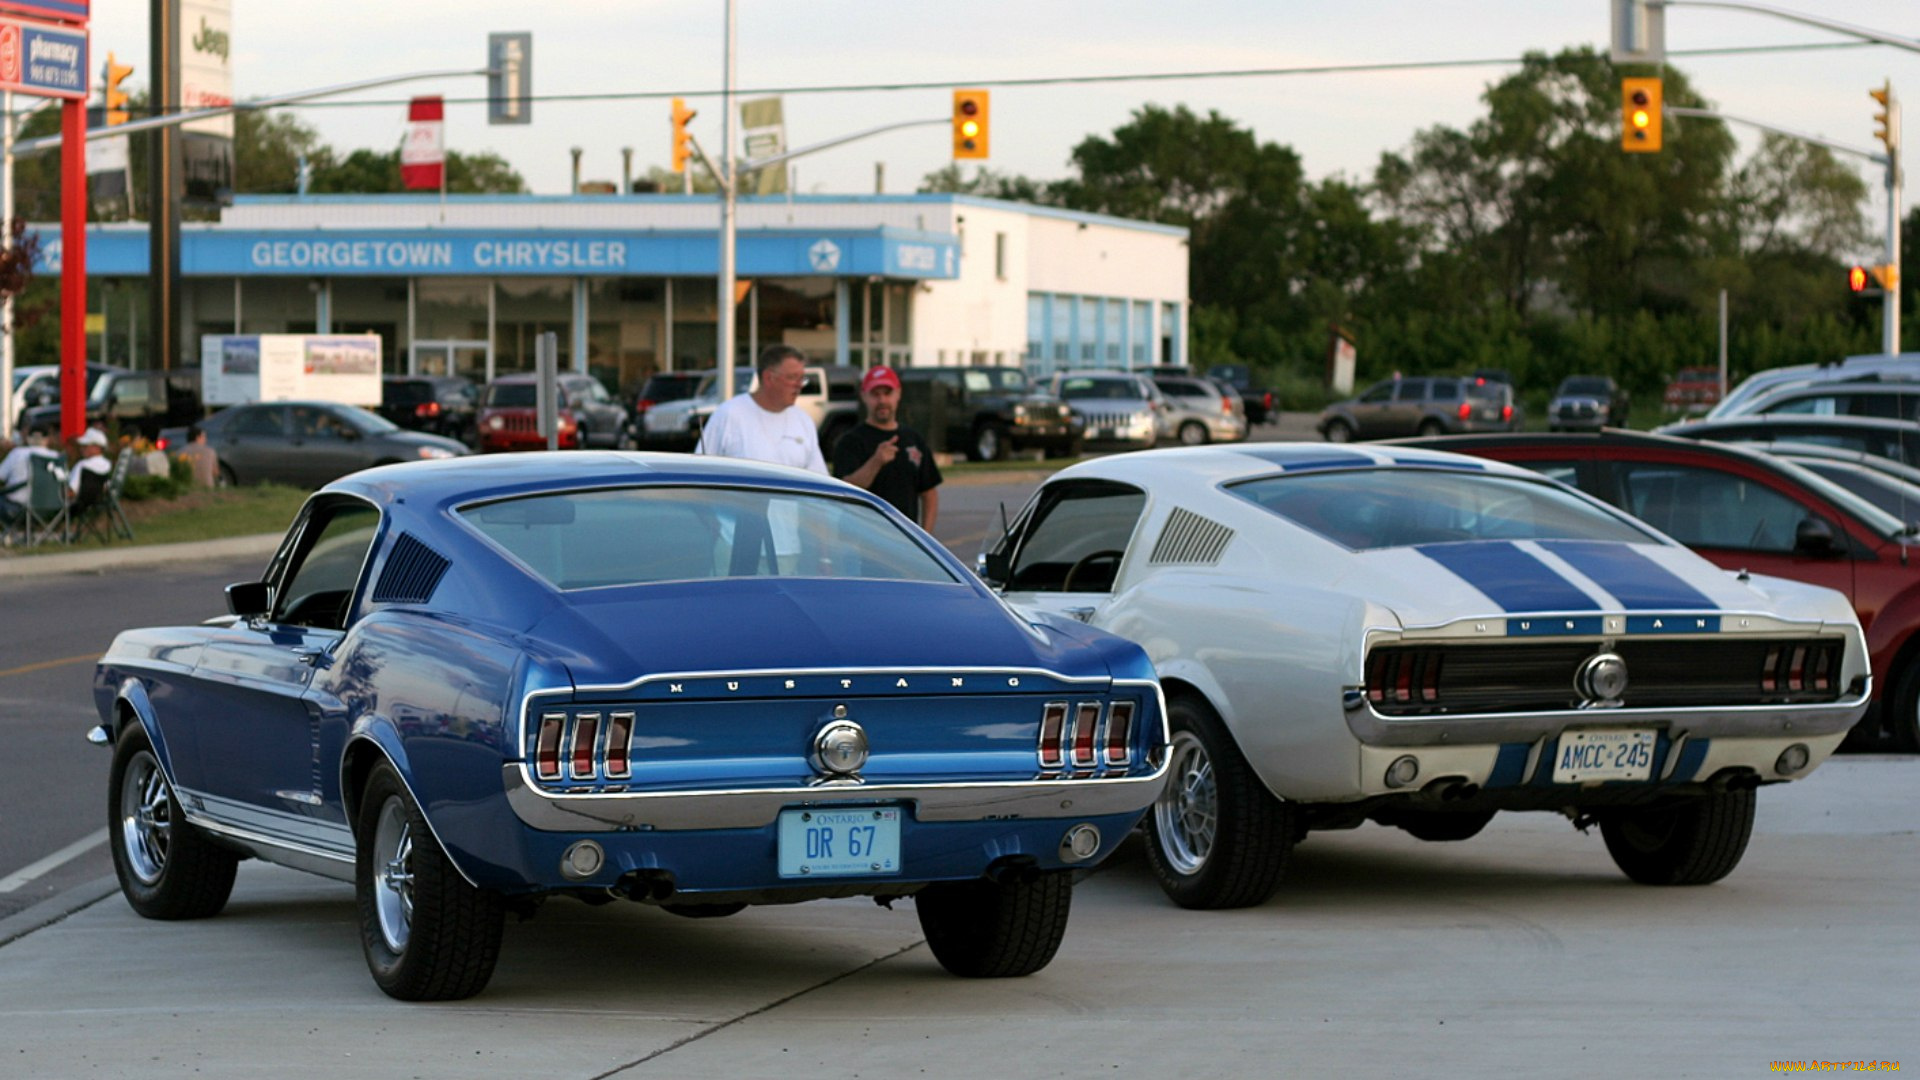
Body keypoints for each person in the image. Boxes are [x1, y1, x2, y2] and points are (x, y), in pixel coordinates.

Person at [832, 365, 942, 529]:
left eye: (887, 393)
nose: (882, 400)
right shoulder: (850, 442)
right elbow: (845, 491)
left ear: (898, 393)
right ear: (864, 396)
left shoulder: (913, 439)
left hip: (905, 541)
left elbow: (929, 493)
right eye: (875, 394)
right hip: (862, 543)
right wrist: (876, 461)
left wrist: (925, 538)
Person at [694, 344, 827, 474]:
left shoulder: (803, 421)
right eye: (792, 378)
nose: (799, 385)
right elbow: (701, 471)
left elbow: (819, 478)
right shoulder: (728, 414)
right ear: (768, 377)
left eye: (802, 378)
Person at [0, 431, 59, 530]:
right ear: (47, 440)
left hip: (17, 508)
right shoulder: (56, 456)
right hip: (51, 508)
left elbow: (1, 476)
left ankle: (8, 535)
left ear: (28, 439)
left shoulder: (17, 453)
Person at [68, 427, 113, 500]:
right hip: (96, 505)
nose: (81, 448)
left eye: (85, 446)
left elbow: (71, 492)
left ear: (96, 447)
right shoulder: (108, 465)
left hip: (78, 507)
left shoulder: (82, 465)